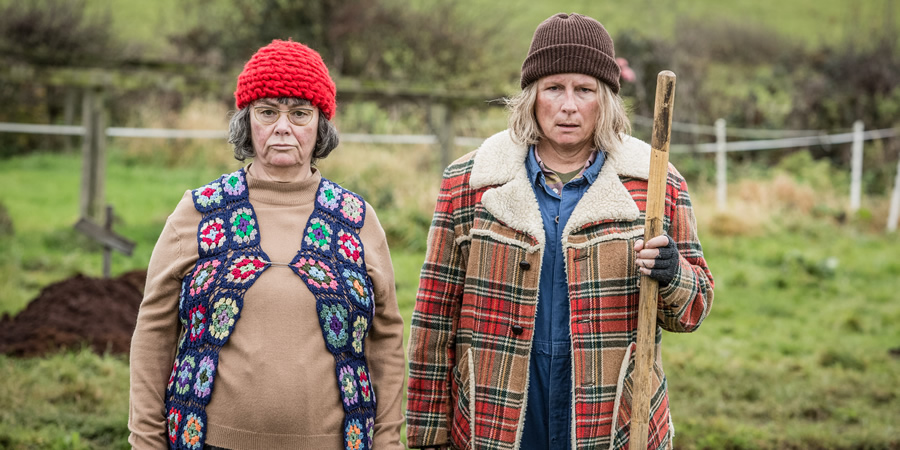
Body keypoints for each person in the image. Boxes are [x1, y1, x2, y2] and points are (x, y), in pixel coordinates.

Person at [405, 13, 714, 450]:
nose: (568, 106)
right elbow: (433, 321)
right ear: (532, 97)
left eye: (584, 90)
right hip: (496, 420)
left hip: (612, 423)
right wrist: (426, 438)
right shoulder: (470, 184)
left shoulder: (655, 183)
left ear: (604, 100)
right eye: (554, 88)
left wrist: (673, 273)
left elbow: (693, 309)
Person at [129, 39, 405, 450]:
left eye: (299, 113)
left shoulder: (356, 219)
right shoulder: (200, 212)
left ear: (320, 125)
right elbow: (154, 331)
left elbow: (386, 339)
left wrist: (386, 442)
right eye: (267, 112)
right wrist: (147, 440)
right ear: (247, 121)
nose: (282, 127)